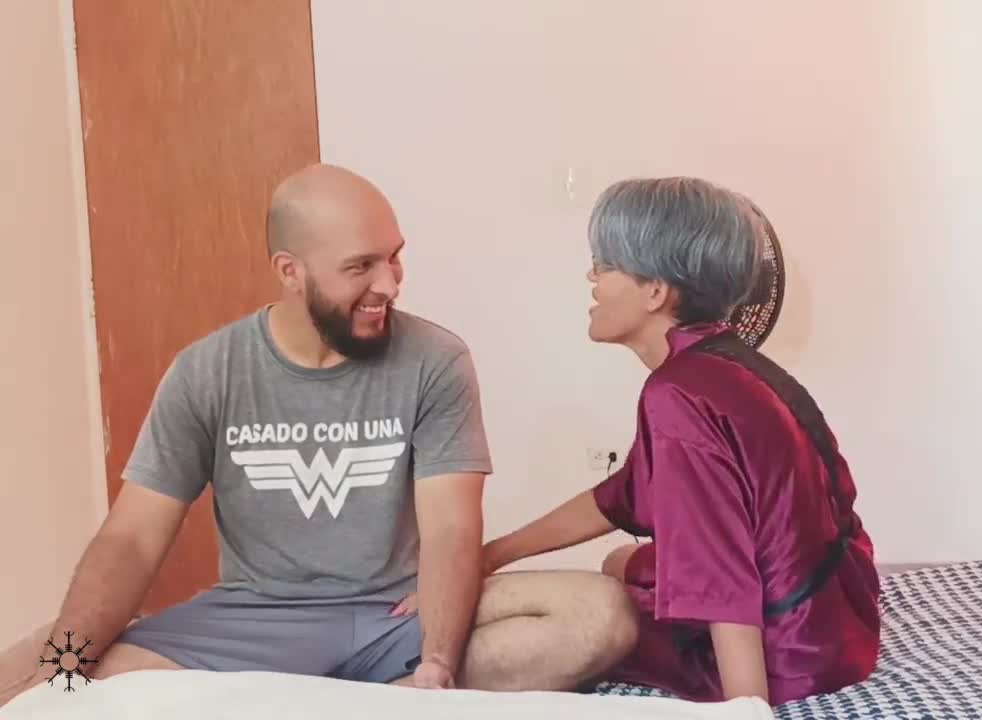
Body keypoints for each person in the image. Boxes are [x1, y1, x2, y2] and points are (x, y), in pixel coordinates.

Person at [0, 164, 636, 708]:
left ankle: (323, 699)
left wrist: (437, 665)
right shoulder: (208, 371)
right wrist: (63, 675)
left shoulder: (435, 361)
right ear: (291, 271)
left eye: (393, 257)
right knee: (52, 663)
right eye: (360, 266)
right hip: (253, 623)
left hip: (396, 618)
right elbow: (133, 538)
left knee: (598, 615)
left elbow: (450, 529)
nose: (388, 283)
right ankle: (337, 699)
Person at [481, 177, 882, 706]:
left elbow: (720, 571)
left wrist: (745, 707)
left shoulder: (677, 396)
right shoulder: (735, 367)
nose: (591, 277)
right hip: (842, 630)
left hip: (786, 659)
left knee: (605, 607)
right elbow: (622, 496)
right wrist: (493, 554)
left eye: (605, 264)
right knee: (620, 561)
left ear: (656, 291)